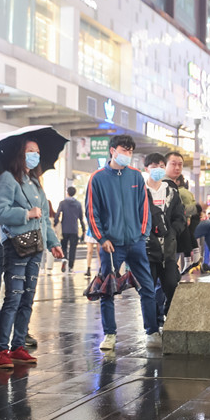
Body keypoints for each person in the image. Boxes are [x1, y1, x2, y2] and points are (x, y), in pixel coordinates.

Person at [0, 138, 64, 369]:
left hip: (37, 247)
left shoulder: (35, 182)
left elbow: (44, 220)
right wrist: (25, 214)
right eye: (30, 151)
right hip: (17, 246)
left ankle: (18, 345)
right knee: (13, 297)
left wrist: (54, 242)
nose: (34, 155)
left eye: (37, 151)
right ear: (19, 154)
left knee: (28, 298)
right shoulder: (7, 179)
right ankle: (2, 349)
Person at [86, 135, 160, 350]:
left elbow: (144, 208)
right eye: (123, 150)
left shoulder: (136, 177)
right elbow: (92, 212)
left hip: (135, 242)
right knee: (106, 288)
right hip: (111, 244)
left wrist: (143, 235)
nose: (127, 154)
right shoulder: (97, 178)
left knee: (147, 286)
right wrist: (102, 238)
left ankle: (152, 332)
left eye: (130, 151)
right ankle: (109, 334)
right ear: (112, 150)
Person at [163, 151, 210, 273]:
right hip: (171, 234)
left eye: (180, 164)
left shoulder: (174, 187)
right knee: (164, 276)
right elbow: (177, 212)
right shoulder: (163, 185)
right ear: (164, 165)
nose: (177, 167)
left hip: (180, 232)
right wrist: (197, 208)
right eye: (173, 164)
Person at [143, 152, 185, 332]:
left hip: (168, 251)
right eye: (154, 167)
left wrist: (172, 232)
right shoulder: (141, 192)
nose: (158, 170)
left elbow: (180, 217)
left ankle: (169, 319)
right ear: (146, 169)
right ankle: (151, 329)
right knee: (148, 291)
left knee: (172, 286)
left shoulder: (171, 192)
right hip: (147, 250)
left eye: (161, 166)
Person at [55, 186, 84, 272]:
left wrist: (55, 223)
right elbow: (81, 218)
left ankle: (64, 259)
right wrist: (83, 229)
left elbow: (57, 215)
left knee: (63, 246)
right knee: (73, 248)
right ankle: (71, 267)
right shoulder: (78, 204)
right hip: (74, 229)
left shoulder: (63, 203)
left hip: (64, 229)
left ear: (67, 192)